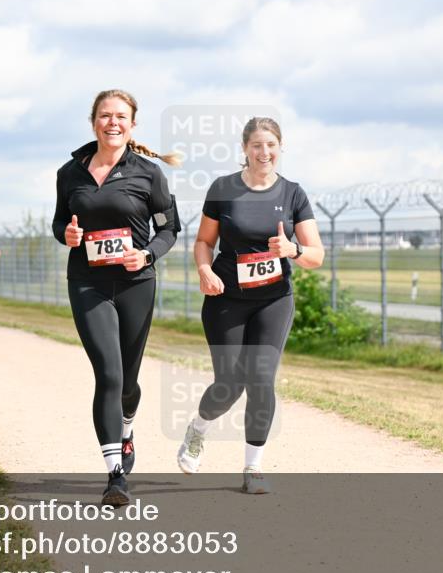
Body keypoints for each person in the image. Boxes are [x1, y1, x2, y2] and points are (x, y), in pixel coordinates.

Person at [178, 117, 324, 494]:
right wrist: (204, 270)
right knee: (230, 383)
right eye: (257, 145)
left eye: (271, 144)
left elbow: (317, 255)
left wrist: (294, 250)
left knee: (260, 380)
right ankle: (199, 428)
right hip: (225, 297)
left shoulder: (293, 194)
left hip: (273, 299)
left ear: (280, 147)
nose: (264, 152)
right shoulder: (224, 189)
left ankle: (253, 467)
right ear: (244, 148)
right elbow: (203, 242)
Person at [53, 89, 181, 506]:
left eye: (120, 116)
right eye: (105, 115)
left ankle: (127, 429)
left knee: (127, 383)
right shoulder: (69, 172)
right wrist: (67, 235)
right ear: (93, 122)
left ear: (132, 124)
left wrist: (146, 253)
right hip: (87, 283)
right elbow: (60, 224)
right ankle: (115, 476)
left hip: (135, 284)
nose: (113, 122)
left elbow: (169, 229)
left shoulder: (147, 173)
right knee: (108, 374)